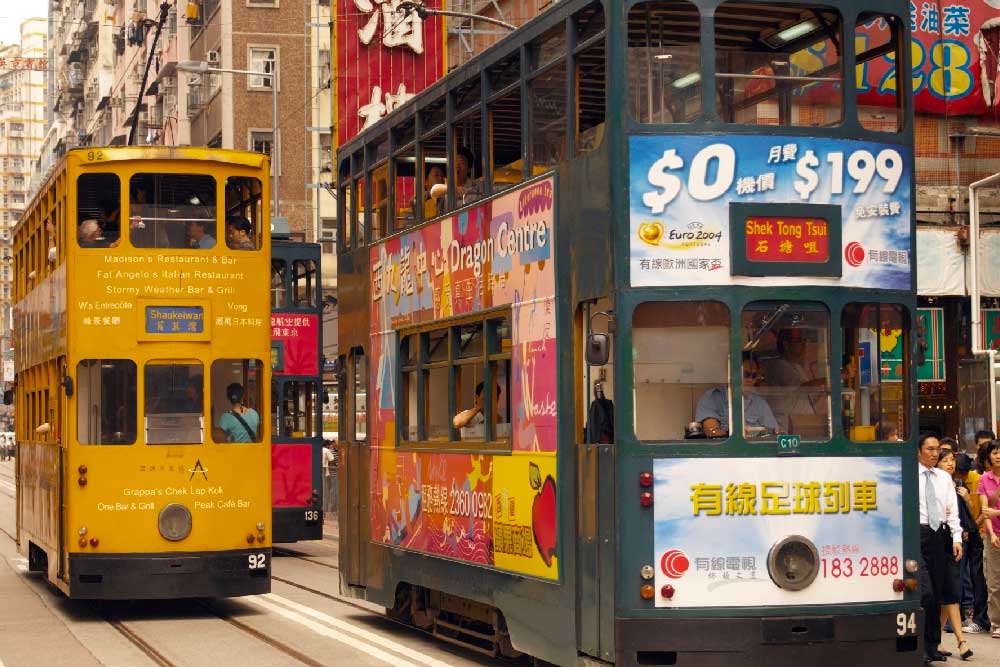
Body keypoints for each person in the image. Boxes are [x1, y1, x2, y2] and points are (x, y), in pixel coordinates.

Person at [918, 433, 964, 663]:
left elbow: (952, 510)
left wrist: (956, 538)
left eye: (938, 449)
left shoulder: (943, 478)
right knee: (924, 592)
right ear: (918, 451)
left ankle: (932, 645)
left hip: (940, 536)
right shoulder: (908, 474)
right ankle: (921, 647)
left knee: (937, 592)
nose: (935, 453)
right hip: (917, 534)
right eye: (930, 449)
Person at [936, 449, 975, 659]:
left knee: (950, 591)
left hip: (957, 541)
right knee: (950, 591)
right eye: (945, 460)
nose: (950, 463)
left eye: (952, 460)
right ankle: (960, 640)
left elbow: (965, 514)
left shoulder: (959, 486)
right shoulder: (933, 484)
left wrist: (967, 498)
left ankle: (938, 640)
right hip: (941, 541)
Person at [695, 353, 779, 438]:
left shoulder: (760, 403)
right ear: (732, 374)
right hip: (725, 450)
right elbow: (711, 432)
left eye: (754, 376)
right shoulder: (711, 398)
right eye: (746, 374)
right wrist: (736, 434)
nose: (750, 380)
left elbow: (774, 434)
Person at [956, 450, 992, 636]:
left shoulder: (978, 480)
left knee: (980, 577)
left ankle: (981, 618)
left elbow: (981, 511)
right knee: (971, 575)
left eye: (962, 474)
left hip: (978, 532)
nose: (960, 477)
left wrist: (971, 527)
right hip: (965, 533)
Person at [977, 439, 1000, 639]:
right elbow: (986, 511)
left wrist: (997, 512)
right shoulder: (984, 480)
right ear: (988, 457)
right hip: (994, 536)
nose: (998, 455)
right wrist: (991, 534)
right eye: (995, 452)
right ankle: (996, 623)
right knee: (994, 583)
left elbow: (993, 511)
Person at [322, 440, 338, 513]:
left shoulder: (318, 449)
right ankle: (325, 510)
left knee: (322, 491)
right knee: (326, 492)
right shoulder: (326, 450)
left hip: (320, 471)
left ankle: (323, 509)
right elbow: (332, 460)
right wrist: (335, 466)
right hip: (325, 472)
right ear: (328, 445)